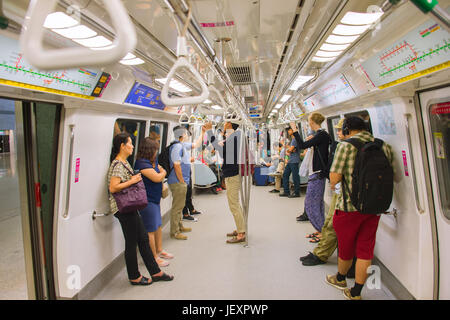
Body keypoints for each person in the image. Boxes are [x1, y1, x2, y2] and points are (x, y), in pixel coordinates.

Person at [325, 116, 395, 300]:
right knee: (365, 248)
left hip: (349, 207)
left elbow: (334, 178)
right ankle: (356, 292)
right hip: (375, 206)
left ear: (348, 129)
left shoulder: (345, 146)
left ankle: (340, 278)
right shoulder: (383, 145)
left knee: (346, 247)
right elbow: (392, 173)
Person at [107, 133, 173, 285]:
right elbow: (113, 187)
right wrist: (133, 181)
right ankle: (134, 276)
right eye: (130, 143)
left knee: (143, 239)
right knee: (131, 243)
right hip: (123, 209)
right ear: (122, 146)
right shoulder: (118, 164)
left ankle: (155, 272)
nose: (132, 146)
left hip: (130, 207)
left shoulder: (124, 162)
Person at [300, 118, 350, 266]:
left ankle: (323, 254)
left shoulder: (343, 147)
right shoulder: (339, 143)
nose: (338, 133)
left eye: (340, 130)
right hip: (348, 191)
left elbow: (337, 170)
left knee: (331, 223)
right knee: (331, 222)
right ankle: (323, 252)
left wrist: (334, 184)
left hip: (341, 190)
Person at [290, 113, 331, 241]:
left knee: (311, 204)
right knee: (317, 203)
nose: (308, 124)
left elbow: (302, 145)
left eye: (308, 122)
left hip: (318, 173)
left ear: (312, 122)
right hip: (317, 172)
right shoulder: (320, 135)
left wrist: (295, 131)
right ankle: (320, 230)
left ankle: (322, 232)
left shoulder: (322, 135)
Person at [134, 137, 174, 268]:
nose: (156, 152)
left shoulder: (152, 161)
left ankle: (159, 250)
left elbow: (160, 171)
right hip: (147, 200)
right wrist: (163, 172)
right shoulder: (141, 164)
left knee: (157, 226)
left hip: (155, 199)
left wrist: (162, 171)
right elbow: (157, 177)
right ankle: (153, 257)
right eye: (155, 150)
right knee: (150, 229)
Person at [204, 121, 246, 244]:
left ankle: (241, 233)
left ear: (230, 125)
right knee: (235, 203)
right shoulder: (234, 137)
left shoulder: (234, 138)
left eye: (226, 122)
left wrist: (209, 132)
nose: (224, 124)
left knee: (233, 204)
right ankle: (240, 228)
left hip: (232, 175)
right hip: (232, 173)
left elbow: (221, 152)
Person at [168, 125, 205, 240]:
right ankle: (174, 232)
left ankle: (180, 226)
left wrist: (203, 132)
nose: (188, 135)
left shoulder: (182, 145)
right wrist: (182, 181)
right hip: (177, 181)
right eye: (186, 133)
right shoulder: (176, 147)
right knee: (177, 208)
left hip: (181, 181)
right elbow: (176, 165)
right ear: (182, 135)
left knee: (180, 206)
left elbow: (196, 145)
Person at [280, 127, 301, 198]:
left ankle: (297, 192)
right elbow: (290, 149)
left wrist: (288, 149)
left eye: (290, 130)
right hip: (290, 160)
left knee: (295, 177)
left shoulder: (295, 139)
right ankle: (286, 191)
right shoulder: (292, 140)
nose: (288, 131)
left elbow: (290, 150)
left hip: (294, 161)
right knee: (285, 175)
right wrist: (289, 149)